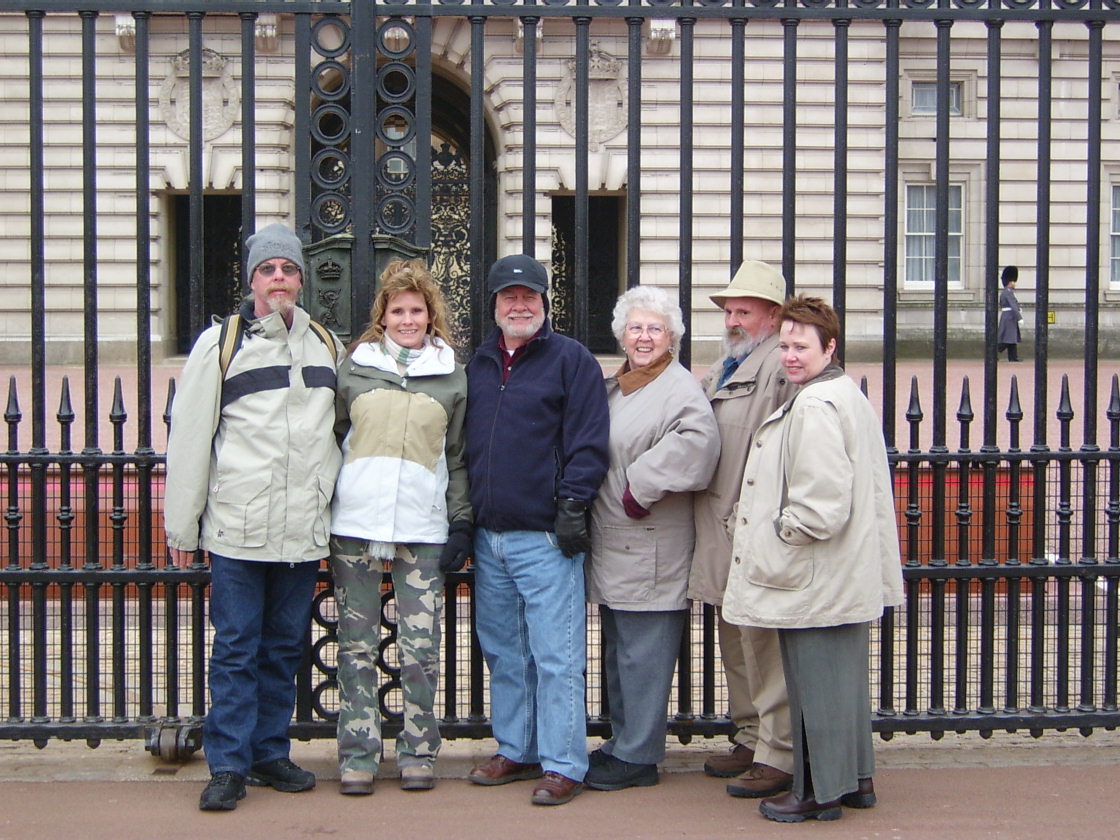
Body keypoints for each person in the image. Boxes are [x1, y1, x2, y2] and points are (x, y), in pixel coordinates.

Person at [164, 222, 345, 812]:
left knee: (283, 647)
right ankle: (229, 763)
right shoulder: (221, 344)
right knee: (237, 648)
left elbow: (338, 436)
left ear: (301, 277)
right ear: (252, 279)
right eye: (268, 270)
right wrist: (181, 526)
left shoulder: (325, 344)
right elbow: (191, 438)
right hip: (239, 530)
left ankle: (270, 751)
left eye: (288, 270)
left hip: (300, 531)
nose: (279, 280)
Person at [722, 295, 904, 823]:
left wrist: (782, 530)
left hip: (815, 576)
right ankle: (855, 781)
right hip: (842, 573)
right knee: (843, 682)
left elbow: (820, 507)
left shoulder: (818, 405)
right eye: (784, 345)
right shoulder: (842, 393)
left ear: (830, 346)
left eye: (801, 346)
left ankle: (816, 792)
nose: (790, 356)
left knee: (813, 687)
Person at [464, 254, 610, 806]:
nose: (519, 305)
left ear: (545, 303)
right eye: (508, 297)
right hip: (489, 535)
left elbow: (589, 439)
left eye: (529, 296)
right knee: (505, 652)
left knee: (556, 656)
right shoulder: (476, 364)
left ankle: (564, 762)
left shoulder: (571, 360)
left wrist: (573, 503)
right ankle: (516, 747)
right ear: (495, 305)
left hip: (546, 537)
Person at [329, 259, 471, 795]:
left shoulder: (451, 374)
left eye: (416, 310)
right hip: (356, 524)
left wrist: (460, 520)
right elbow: (333, 441)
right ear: (382, 316)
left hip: (422, 526)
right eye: (398, 310)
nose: (407, 319)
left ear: (430, 315)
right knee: (357, 645)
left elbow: (455, 455)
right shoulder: (354, 368)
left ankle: (417, 751)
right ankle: (358, 754)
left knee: (420, 647)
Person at [584, 286, 720, 791]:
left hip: (649, 541)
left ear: (672, 337)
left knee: (644, 656)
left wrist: (639, 487)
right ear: (622, 334)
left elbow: (699, 443)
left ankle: (638, 755)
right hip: (619, 543)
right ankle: (624, 743)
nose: (644, 337)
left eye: (654, 329)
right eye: (636, 328)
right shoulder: (623, 384)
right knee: (623, 651)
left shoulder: (678, 387)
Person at [687, 259, 798, 797]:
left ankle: (779, 751)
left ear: (773, 316)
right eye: (729, 309)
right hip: (721, 526)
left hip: (752, 527)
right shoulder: (730, 362)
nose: (731, 318)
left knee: (764, 644)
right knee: (736, 639)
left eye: (743, 310)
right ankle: (751, 735)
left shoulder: (781, 365)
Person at [997, 265, 1023, 362]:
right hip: (1009, 318)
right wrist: (1019, 317)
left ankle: (1013, 357)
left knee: (1011, 338)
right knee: (1007, 339)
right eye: (1013, 281)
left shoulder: (1007, 292)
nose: (1014, 283)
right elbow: (1012, 305)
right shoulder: (1008, 292)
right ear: (1009, 282)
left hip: (1009, 317)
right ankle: (993, 352)